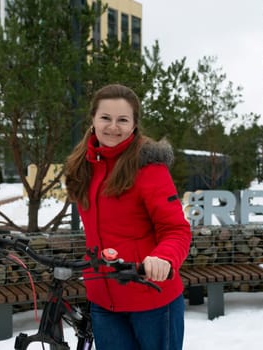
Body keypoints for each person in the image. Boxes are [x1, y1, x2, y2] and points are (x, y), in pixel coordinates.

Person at [65, 84, 192, 350]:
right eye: (105, 118)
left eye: (122, 120)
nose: (113, 127)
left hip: (151, 297)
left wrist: (164, 258)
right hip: (104, 299)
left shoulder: (149, 168)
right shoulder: (82, 166)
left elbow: (176, 229)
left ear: (134, 125)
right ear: (93, 120)